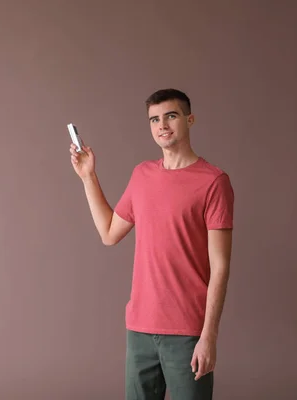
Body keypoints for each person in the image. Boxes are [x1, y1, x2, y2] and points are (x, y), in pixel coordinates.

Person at [69, 88, 234, 400]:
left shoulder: (213, 182)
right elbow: (109, 233)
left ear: (189, 119)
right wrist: (88, 177)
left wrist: (208, 336)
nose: (162, 125)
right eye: (154, 119)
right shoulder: (142, 175)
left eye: (171, 116)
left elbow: (221, 266)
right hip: (140, 328)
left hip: (187, 330)